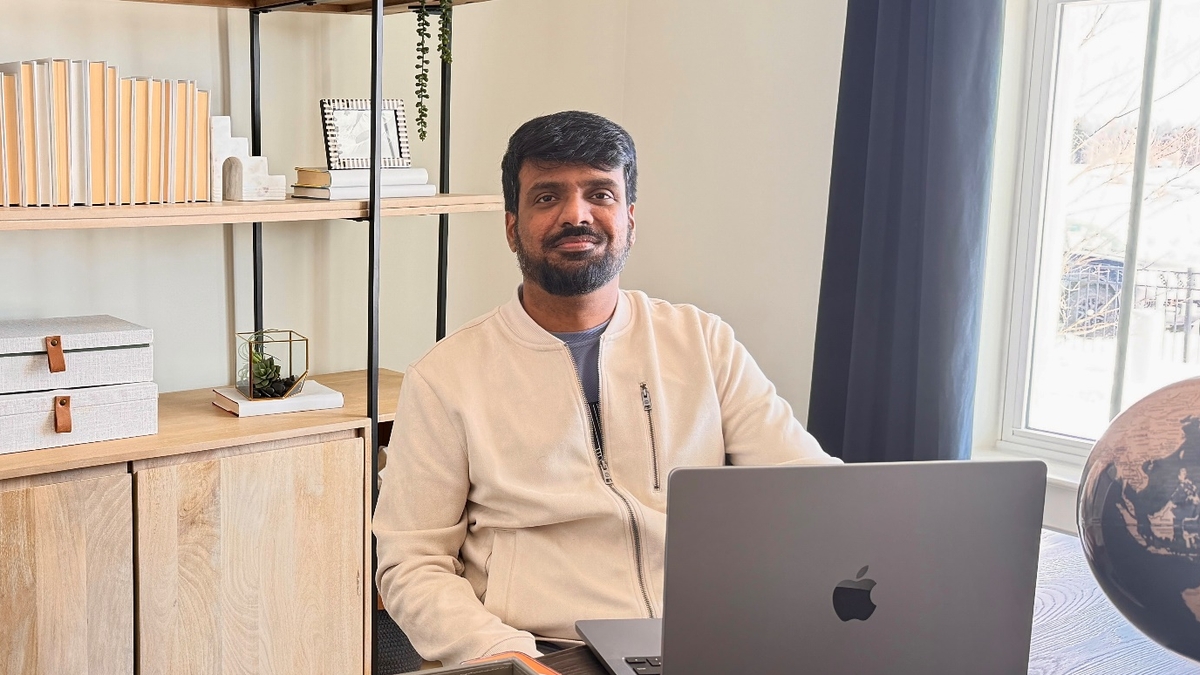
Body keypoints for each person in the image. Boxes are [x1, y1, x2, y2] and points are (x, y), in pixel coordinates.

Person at [373, 110, 838, 665]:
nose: (577, 215)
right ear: (512, 226)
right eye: (548, 197)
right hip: (547, 651)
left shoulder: (702, 342)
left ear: (630, 219)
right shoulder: (447, 376)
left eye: (600, 194)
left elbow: (811, 492)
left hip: (704, 639)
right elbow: (412, 563)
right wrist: (510, 657)